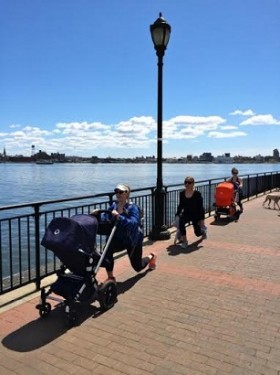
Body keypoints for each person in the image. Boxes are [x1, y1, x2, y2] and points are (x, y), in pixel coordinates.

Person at [91, 183, 156, 282]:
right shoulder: (113, 206)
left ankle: (151, 257)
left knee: (137, 267)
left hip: (132, 240)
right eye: (116, 191)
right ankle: (111, 278)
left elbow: (133, 223)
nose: (118, 194)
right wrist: (97, 215)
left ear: (127, 194)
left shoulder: (132, 207)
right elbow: (106, 218)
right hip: (118, 237)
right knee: (107, 252)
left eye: (121, 192)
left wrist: (119, 217)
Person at [175, 176, 207, 249]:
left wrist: (202, 220)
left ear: (193, 184)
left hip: (196, 215)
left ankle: (203, 232)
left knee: (197, 233)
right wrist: (177, 214)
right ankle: (185, 241)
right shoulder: (182, 194)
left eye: (189, 182)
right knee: (181, 223)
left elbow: (201, 207)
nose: (187, 184)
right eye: (185, 182)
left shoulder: (197, 194)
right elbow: (181, 205)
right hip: (186, 213)